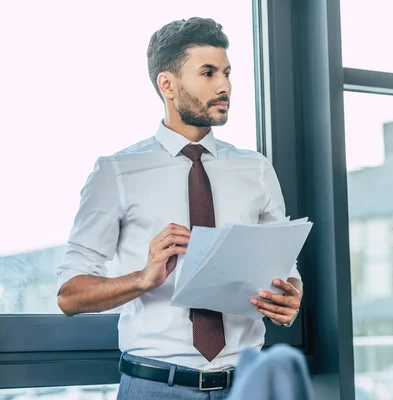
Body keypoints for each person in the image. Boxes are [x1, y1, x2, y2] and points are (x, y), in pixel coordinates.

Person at [56, 17, 303, 399]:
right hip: (155, 387)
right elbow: (70, 295)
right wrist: (143, 278)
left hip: (247, 385)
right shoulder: (116, 172)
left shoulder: (255, 168)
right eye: (208, 73)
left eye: (226, 72)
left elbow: (285, 268)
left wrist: (289, 295)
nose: (224, 86)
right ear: (167, 84)